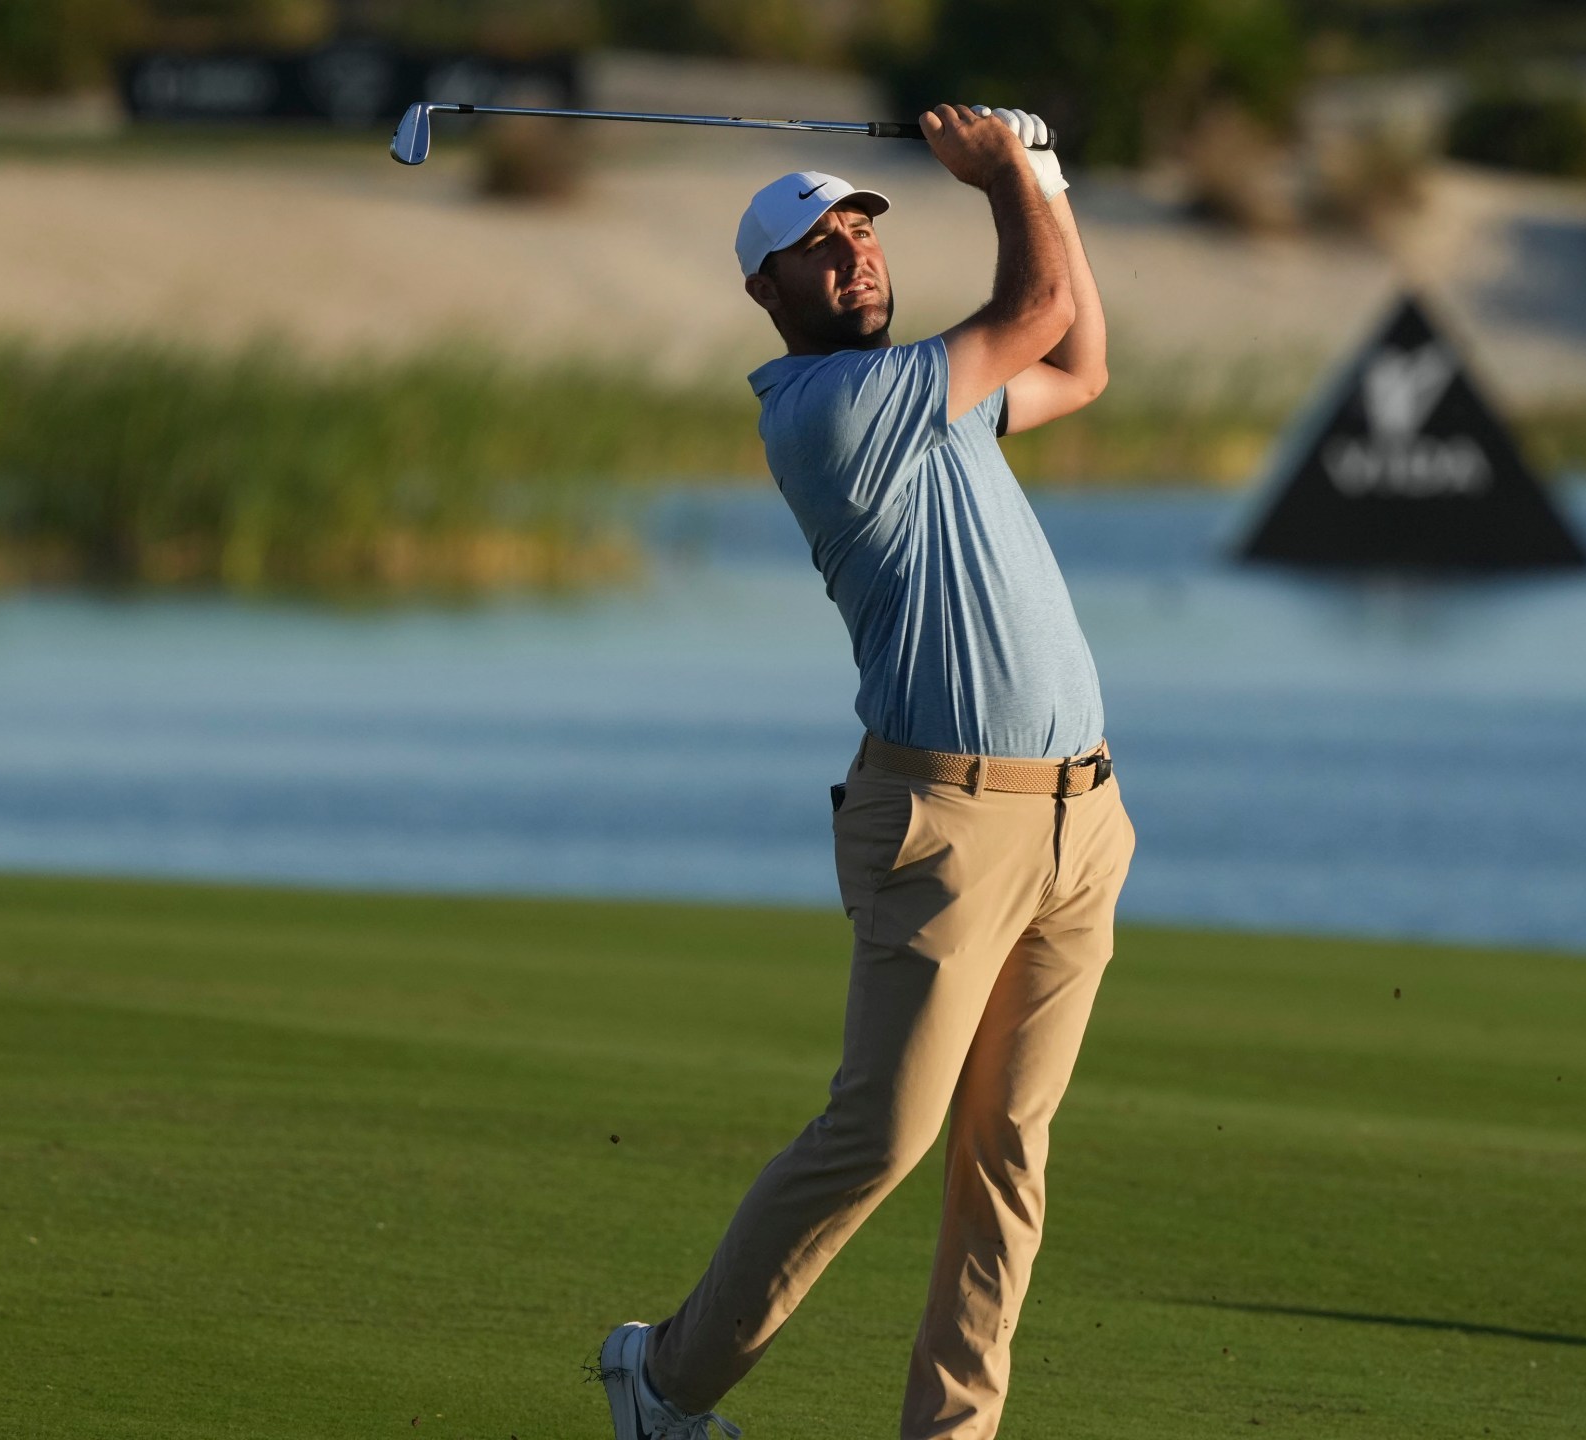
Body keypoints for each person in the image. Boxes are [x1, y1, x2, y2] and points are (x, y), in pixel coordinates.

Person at [597, 103, 1134, 1440]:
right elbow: (1035, 302)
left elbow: (1083, 359)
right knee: (883, 1138)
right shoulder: (831, 409)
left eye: (860, 233)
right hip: (945, 823)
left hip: (1081, 820)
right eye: (818, 248)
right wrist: (1012, 172)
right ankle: (663, 1380)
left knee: (1008, 1156)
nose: (853, 258)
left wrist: (1048, 171)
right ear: (765, 291)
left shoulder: (941, 407)